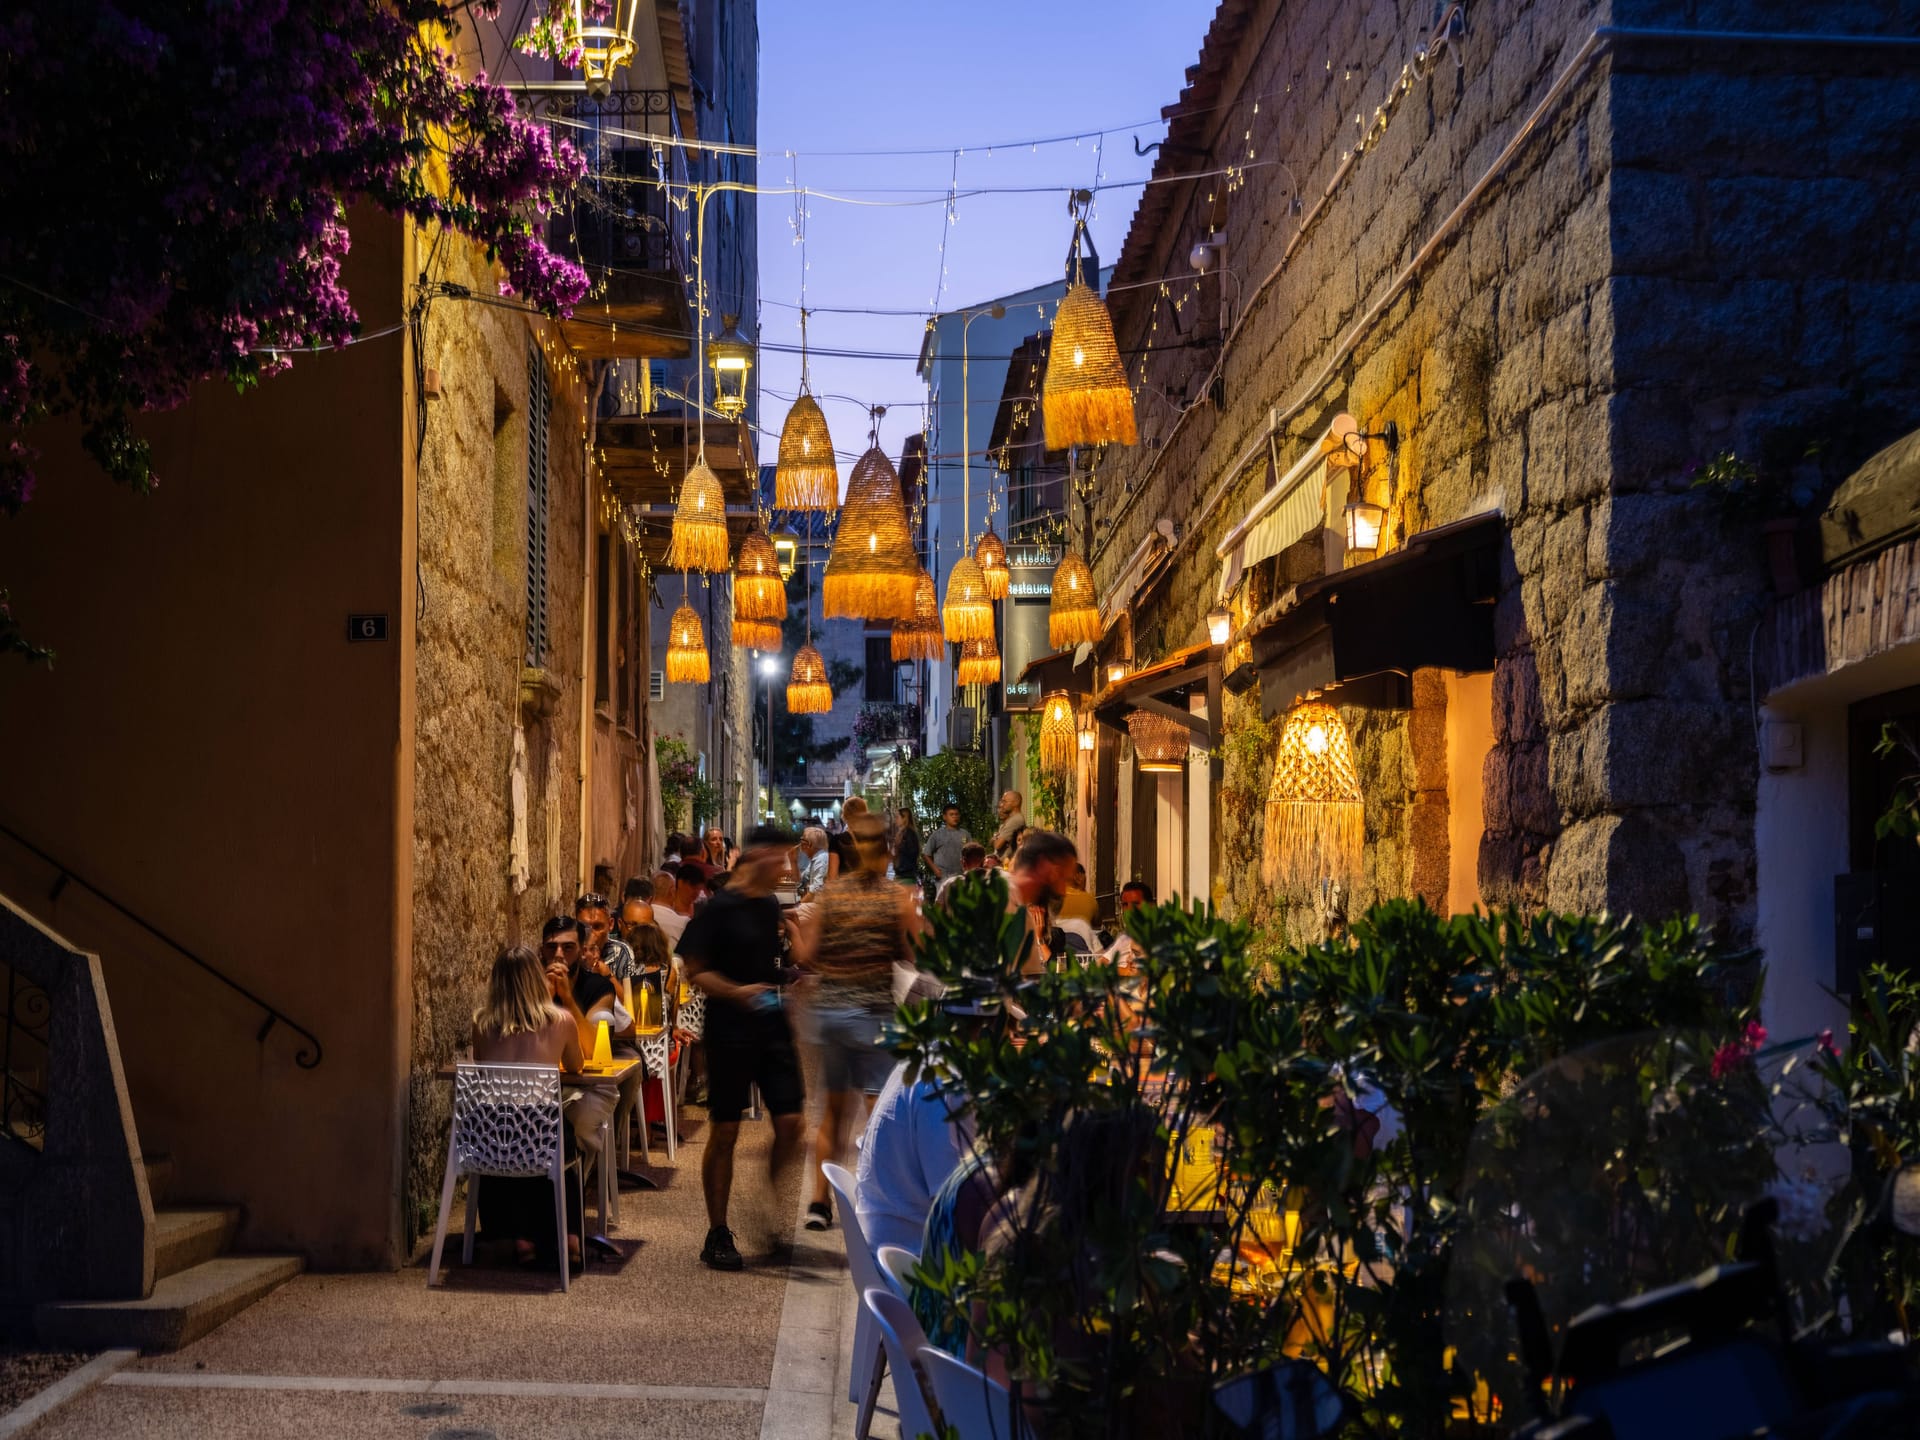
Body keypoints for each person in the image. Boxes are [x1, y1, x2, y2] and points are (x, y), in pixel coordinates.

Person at [677, 825, 807, 1271]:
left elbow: (775, 962)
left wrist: (784, 983)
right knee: (725, 1130)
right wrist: (738, 992)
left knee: (791, 1123)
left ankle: (766, 1206)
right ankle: (717, 1230)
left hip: (771, 1027)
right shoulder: (718, 908)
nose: (789, 869)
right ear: (762, 856)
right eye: (784, 859)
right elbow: (696, 970)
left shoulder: (769, 903)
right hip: (730, 1028)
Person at [790, 812, 920, 1231]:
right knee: (878, 1111)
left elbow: (806, 956)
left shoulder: (830, 896)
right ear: (885, 852)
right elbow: (913, 953)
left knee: (831, 1113)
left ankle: (819, 1202)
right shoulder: (895, 898)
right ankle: (873, 1197)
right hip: (874, 1014)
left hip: (831, 1015)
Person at [471, 942, 587, 1266]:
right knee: (558, 1135)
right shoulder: (561, 1020)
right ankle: (569, 1236)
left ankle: (516, 1236)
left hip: (490, 1138)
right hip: (541, 1134)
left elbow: (481, 1067)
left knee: (507, 1131)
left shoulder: (481, 1023)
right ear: (537, 979)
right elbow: (576, 1066)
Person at [853, 1002, 985, 1253]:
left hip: (890, 1233)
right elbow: (951, 1203)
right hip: (911, 1253)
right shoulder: (946, 1084)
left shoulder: (920, 1061)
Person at [1007, 831, 1079, 974]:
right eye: (1063, 879)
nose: (1063, 892)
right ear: (1045, 867)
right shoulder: (993, 898)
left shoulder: (1025, 919)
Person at [577, 893, 638, 982]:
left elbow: (627, 995)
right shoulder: (570, 952)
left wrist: (608, 975)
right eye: (584, 927)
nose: (591, 934)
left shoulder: (621, 952)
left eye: (597, 927)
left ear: (610, 924)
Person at [934, 842, 988, 909]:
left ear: (963, 862)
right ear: (984, 862)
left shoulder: (949, 884)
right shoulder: (993, 884)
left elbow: (937, 911)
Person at [924, 803, 970, 880]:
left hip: (961, 876)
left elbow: (971, 853)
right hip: (943, 877)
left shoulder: (965, 834)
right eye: (951, 815)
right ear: (944, 817)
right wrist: (935, 870)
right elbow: (926, 854)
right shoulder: (937, 834)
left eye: (956, 814)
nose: (954, 817)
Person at [826, 796, 867, 880]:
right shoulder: (878, 838)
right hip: (872, 891)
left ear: (844, 815)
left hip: (847, 890)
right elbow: (882, 873)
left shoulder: (837, 840)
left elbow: (832, 877)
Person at [989, 790, 1026, 861]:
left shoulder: (1015, 820)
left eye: (1005, 801)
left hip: (1006, 864)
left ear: (1015, 803)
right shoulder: (1011, 819)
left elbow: (997, 845)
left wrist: (994, 838)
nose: (1002, 805)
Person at [796, 826, 829, 898]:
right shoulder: (816, 858)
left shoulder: (821, 858)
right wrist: (792, 860)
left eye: (802, 839)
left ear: (810, 844)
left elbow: (817, 889)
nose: (800, 843)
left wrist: (802, 903)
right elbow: (801, 879)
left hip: (820, 903)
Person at [892, 809, 923, 888]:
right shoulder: (902, 833)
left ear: (904, 818)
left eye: (897, 817)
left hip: (906, 876)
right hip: (902, 875)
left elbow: (912, 854)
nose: (895, 820)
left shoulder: (908, 834)